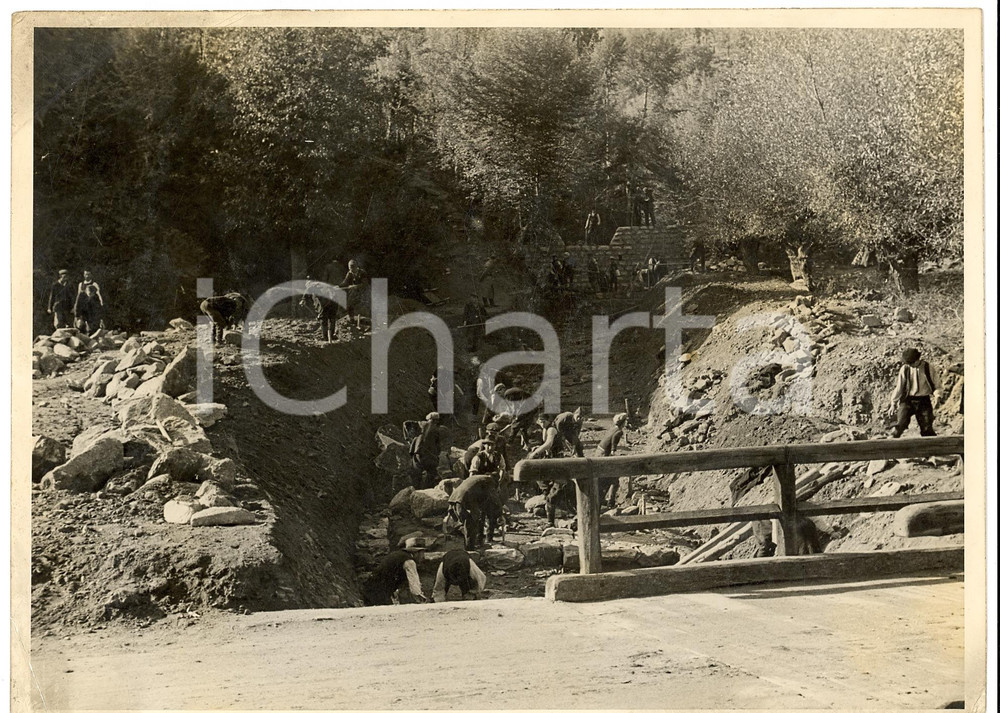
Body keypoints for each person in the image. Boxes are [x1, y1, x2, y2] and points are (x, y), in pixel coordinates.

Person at [526, 409, 585, 527]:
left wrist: (535, 453)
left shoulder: (552, 429)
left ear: (548, 421)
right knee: (545, 483)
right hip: (551, 459)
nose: (542, 423)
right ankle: (549, 497)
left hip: (556, 460)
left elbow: (548, 443)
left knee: (555, 490)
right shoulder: (545, 429)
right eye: (540, 421)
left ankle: (552, 520)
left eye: (544, 421)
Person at [444, 474, 503, 550]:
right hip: (465, 499)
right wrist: (500, 513)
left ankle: (472, 545)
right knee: (471, 524)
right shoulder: (490, 481)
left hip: (454, 497)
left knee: (467, 523)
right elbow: (495, 498)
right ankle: (471, 550)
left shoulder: (477, 478)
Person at [890, 348, 939, 438]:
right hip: (908, 400)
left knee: (927, 428)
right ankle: (891, 446)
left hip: (924, 400)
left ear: (918, 360)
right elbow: (899, 387)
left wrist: (937, 396)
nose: (910, 365)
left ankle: (930, 449)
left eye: (912, 363)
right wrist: (893, 403)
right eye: (908, 363)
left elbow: (936, 385)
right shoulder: (905, 369)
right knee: (900, 424)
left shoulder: (928, 368)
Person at [363, 547, 428, 606]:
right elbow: (414, 582)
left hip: (371, 588)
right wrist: (420, 597)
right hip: (378, 592)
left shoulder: (398, 555)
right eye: (422, 554)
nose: (423, 557)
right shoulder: (409, 561)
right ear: (416, 552)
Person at [597, 412, 629, 507]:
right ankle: (609, 501)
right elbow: (614, 438)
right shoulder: (619, 431)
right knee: (612, 479)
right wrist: (613, 451)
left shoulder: (613, 428)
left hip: (599, 452)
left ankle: (602, 499)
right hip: (603, 455)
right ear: (623, 422)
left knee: (605, 479)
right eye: (626, 421)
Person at [409, 412, 444, 489]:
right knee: (431, 473)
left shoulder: (420, 424)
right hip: (428, 455)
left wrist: (408, 439)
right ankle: (427, 490)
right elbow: (438, 446)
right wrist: (437, 455)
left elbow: (406, 423)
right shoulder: (436, 430)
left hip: (417, 452)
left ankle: (415, 490)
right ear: (436, 420)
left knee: (416, 473)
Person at [339, 259, 367, 331]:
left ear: (356, 267)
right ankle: (352, 320)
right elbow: (345, 283)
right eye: (350, 269)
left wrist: (356, 286)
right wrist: (338, 286)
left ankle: (363, 323)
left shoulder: (362, 273)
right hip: (354, 292)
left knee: (362, 306)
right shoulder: (350, 273)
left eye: (352, 269)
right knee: (349, 303)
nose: (351, 270)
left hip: (364, 291)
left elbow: (365, 284)